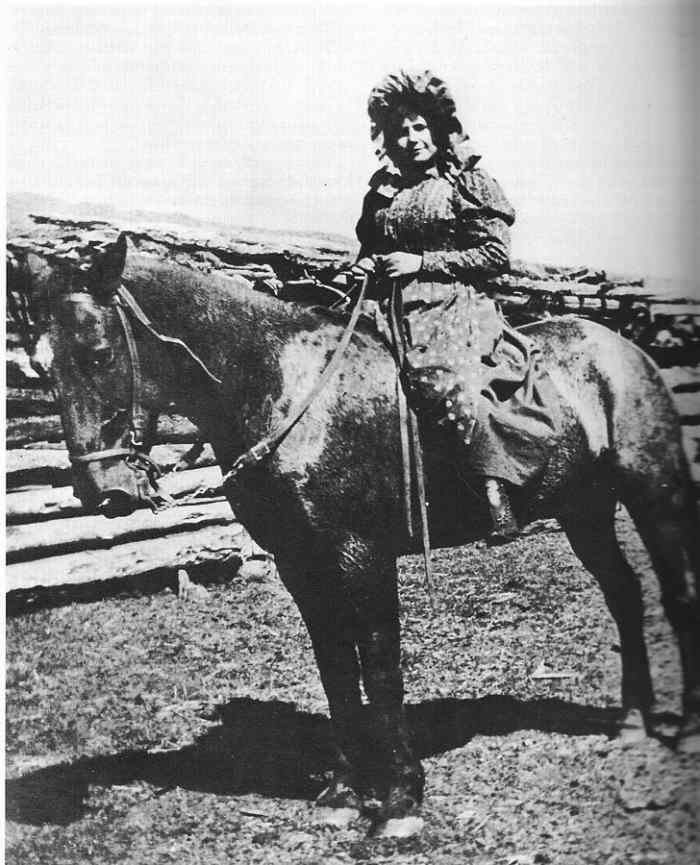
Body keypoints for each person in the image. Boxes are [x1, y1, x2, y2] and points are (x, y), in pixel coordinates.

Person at [352, 69, 558, 544]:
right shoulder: (382, 191)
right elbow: (370, 247)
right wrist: (367, 267)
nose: (411, 138)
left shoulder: (466, 181)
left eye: (420, 127)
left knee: (450, 384)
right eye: (401, 130)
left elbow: (494, 255)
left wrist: (423, 261)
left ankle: (497, 495)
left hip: (454, 306)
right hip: (386, 308)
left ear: (438, 129)